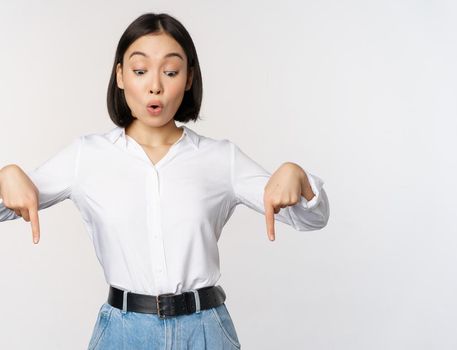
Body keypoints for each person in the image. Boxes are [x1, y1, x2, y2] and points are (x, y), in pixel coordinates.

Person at [0, 12, 330, 349]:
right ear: (120, 76)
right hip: (122, 333)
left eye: (170, 72)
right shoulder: (87, 156)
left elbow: (312, 218)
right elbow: (10, 203)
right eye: (140, 71)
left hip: (205, 332)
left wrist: (299, 178)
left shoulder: (220, 158)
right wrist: (4, 178)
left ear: (188, 78)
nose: (155, 85)